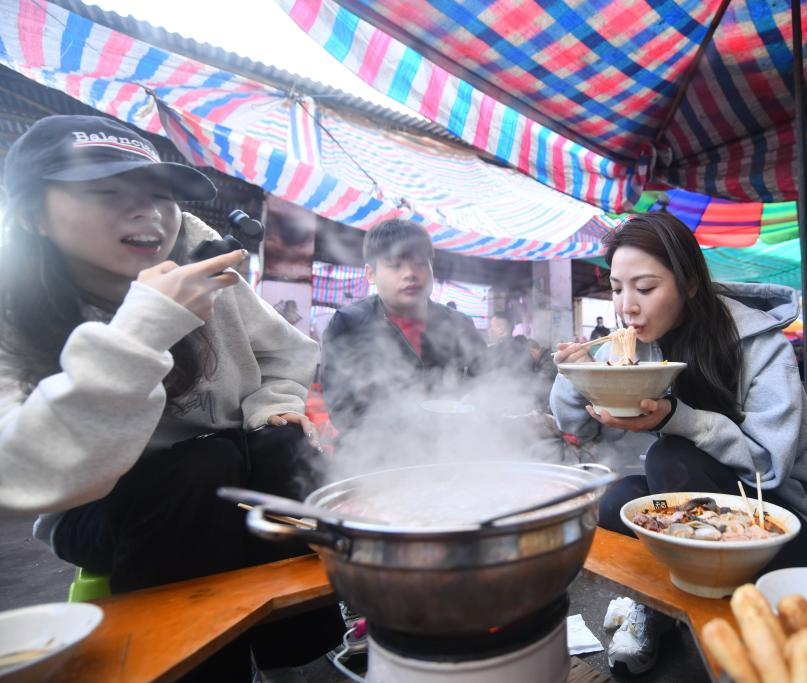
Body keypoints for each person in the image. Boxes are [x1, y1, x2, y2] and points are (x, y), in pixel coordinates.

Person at [0, 115, 339, 679]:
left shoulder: (202, 265)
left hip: (232, 477)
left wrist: (271, 408)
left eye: (160, 195)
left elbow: (286, 354)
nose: (147, 213)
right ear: (35, 213)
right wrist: (145, 327)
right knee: (204, 462)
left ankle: (302, 657)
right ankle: (197, 668)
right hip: (104, 505)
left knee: (280, 444)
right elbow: (18, 477)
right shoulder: (14, 312)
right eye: (107, 192)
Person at [550, 213, 807, 675]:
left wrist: (678, 419)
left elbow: (769, 466)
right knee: (615, 501)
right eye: (618, 288)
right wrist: (572, 375)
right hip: (697, 508)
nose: (627, 307)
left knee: (672, 456)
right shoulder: (636, 344)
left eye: (645, 289)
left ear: (688, 285)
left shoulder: (759, 345)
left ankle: (689, 624)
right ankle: (662, 606)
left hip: (781, 520)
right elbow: (580, 429)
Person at [320, 218, 487, 430]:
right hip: (374, 453)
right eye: (395, 265)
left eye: (420, 263)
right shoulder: (348, 323)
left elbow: (489, 379)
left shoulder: (459, 324)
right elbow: (341, 408)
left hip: (450, 443)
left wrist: (476, 401)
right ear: (371, 274)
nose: (410, 274)